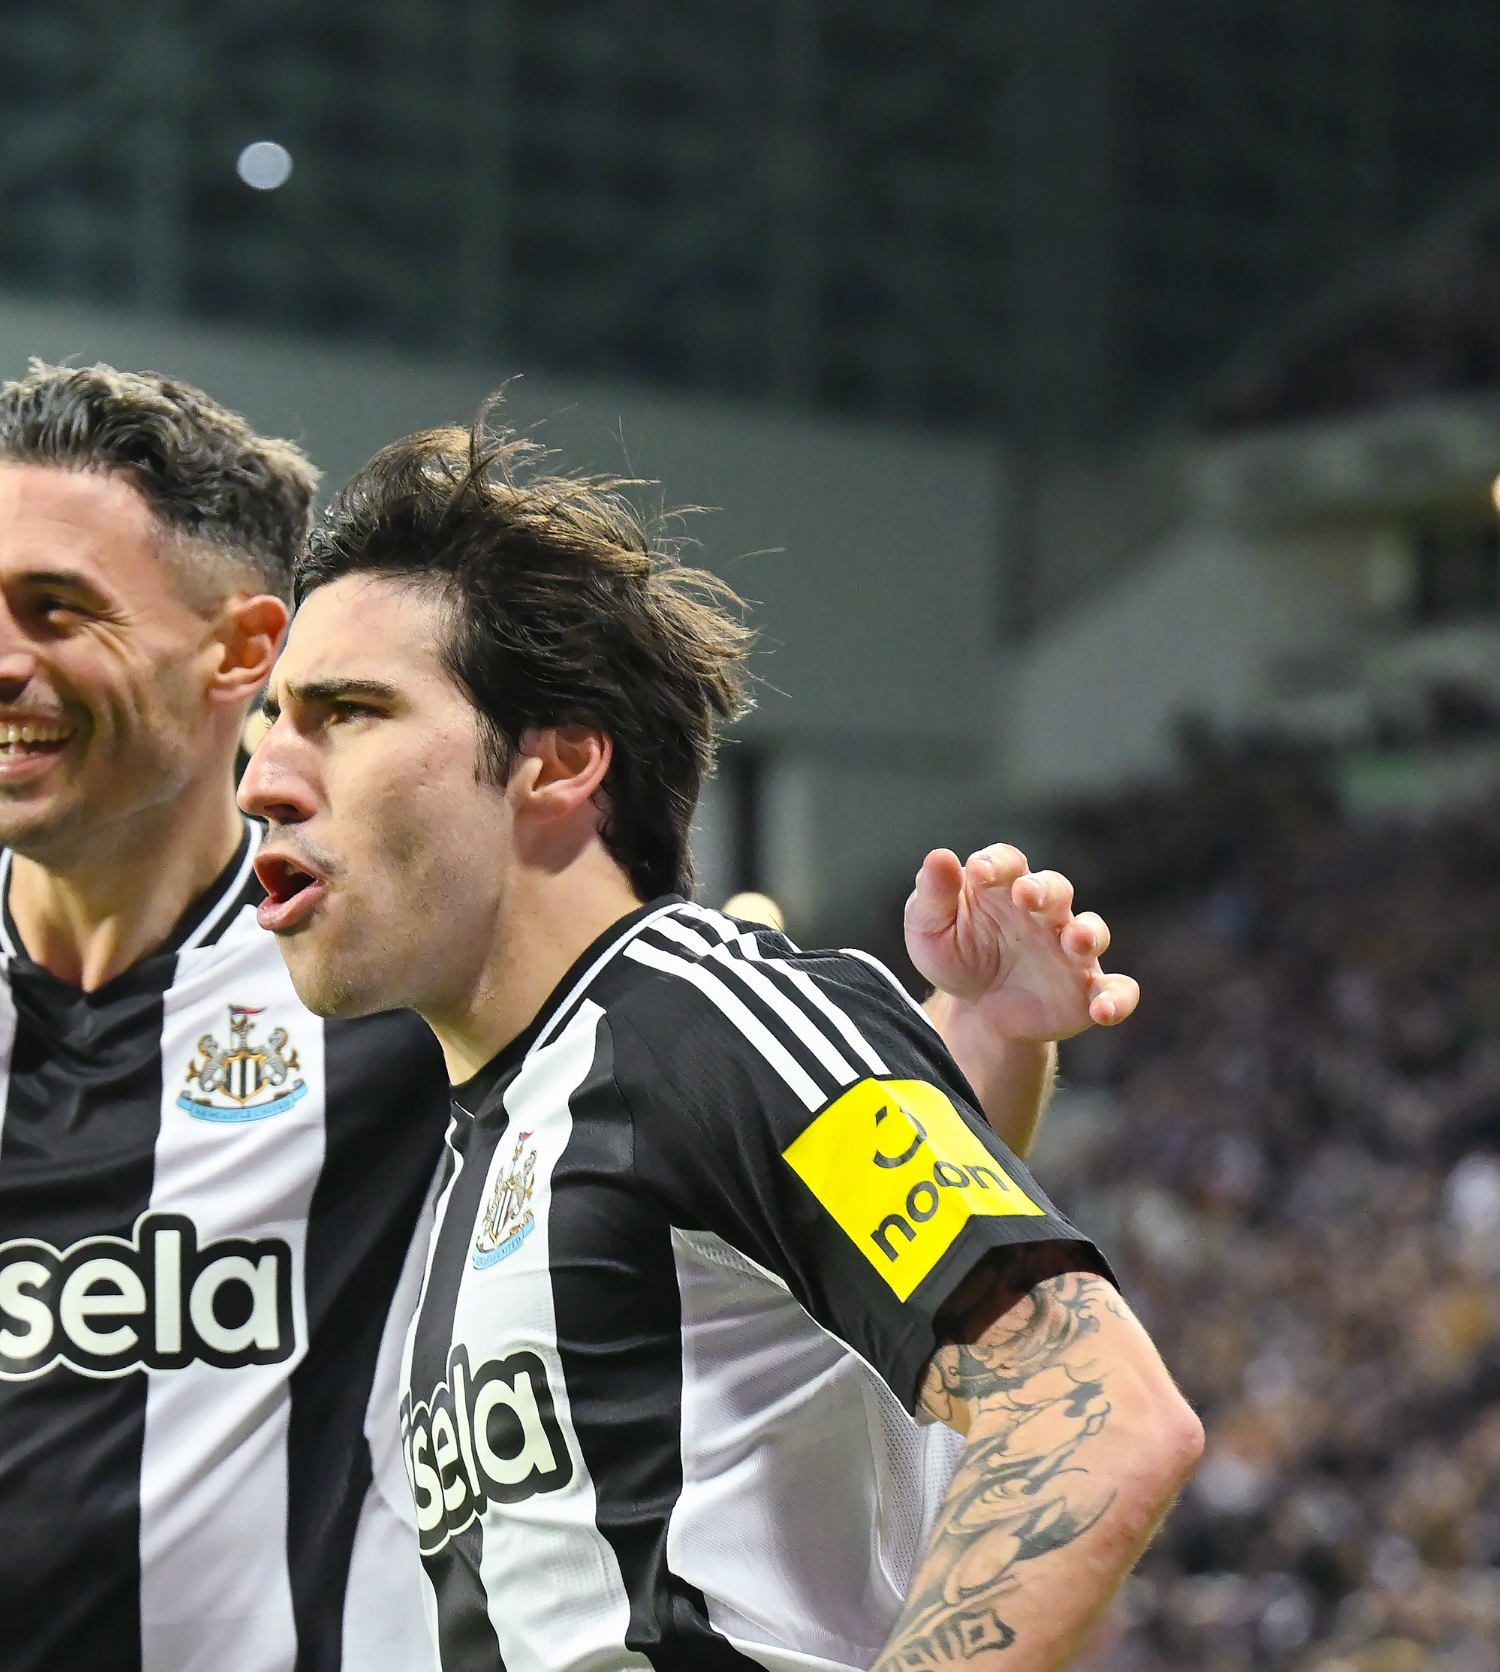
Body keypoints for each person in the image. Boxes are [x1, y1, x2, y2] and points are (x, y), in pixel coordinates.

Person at [0, 363, 1133, 1672]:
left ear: (236, 650)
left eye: (52, 606)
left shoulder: (543, 999)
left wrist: (950, 1047)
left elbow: (1021, 1364)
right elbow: (793, 1274)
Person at [235, 414, 1201, 1672]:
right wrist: (988, 1046)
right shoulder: (503, 1123)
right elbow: (808, 1322)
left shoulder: (700, 1012)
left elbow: (1092, 1419)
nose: (263, 776)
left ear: (560, 762)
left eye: (345, 712)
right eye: (270, 724)